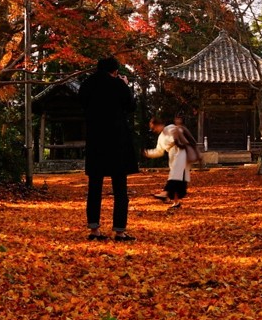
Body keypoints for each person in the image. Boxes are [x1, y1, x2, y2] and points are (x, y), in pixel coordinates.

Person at [78, 57, 138, 241]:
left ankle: (94, 229)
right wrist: (126, 86)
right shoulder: (118, 85)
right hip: (116, 141)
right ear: (114, 71)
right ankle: (119, 230)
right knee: (120, 188)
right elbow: (130, 106)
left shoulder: (86, 85)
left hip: (96, 141)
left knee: (94, 187)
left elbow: (82, 106)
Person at [145, 117, 191, 209]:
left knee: (174, 177)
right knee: (178, 180)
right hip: (173, 156)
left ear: (158, 124)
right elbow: (159, 151)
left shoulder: (171, 128)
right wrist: (148, 153)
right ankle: (176, 203)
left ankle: (165, 192)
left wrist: (174, 141)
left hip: (181, 153)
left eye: (154, 128)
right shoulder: (160, 137)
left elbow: (179, 136)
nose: (154, 130)